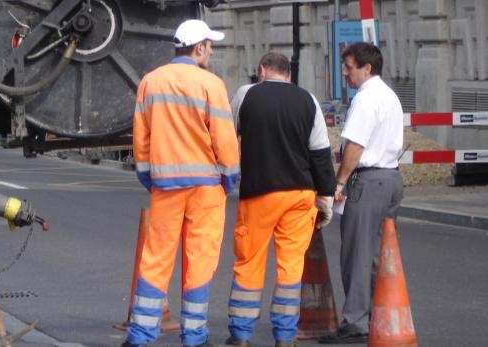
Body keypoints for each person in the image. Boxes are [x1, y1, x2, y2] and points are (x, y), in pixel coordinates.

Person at [123, 19, 240, 347]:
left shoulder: (151, 81)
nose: (212, 51)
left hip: (165, 186)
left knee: (156, 258)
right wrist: (230, 176)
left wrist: (147, 174)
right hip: (206, 188)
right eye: (210, 45)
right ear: (199, 47)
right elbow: (224, 137)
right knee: (200, 261)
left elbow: (141, 135)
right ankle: (194, 337)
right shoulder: (210, 84)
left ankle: (141, 336)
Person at [225, 52, 335, 347]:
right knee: (290, 266)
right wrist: (325, 199)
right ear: (288, 74)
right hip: (300, 194)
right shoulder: (308, 100)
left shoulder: (246, 95)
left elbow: (226, 137)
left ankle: (241, 334)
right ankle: (285, 336)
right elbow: (321, 154)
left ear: (262, 70)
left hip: (259, 192)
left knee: (249, 261)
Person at [319, 42, 404, 344]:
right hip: (391, 178)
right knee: (376, 256)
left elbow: (355, 146)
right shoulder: (390, 96)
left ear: (367, 68)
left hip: (368, 181)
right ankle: (377, 315)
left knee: (356, 254)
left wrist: (339, 183)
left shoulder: (366, 99)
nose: (344, 73)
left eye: (349, 67)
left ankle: (355, 322)